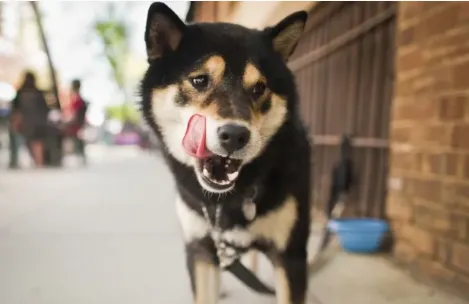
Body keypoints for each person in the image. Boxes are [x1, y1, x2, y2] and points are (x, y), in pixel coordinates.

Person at [11, 71, 50, 168]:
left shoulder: (20, 92)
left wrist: (15, 121)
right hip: (39, 122)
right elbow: (45, 108)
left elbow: (16, 109)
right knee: (38, 142)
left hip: (26, 122)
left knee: (29, 141)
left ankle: (31, 161)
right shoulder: (38, 93)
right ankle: (39, 162)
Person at [64, 79, 87, 165]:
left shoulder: (77, 99)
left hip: (75, 124)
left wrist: (66, 121)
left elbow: (74, 115)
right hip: (78, 123)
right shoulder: (78, 99)